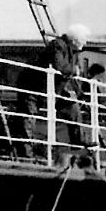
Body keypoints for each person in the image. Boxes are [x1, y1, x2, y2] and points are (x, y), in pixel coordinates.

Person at [13, 23, 89, 158]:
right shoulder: (58, 46)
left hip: (54, 89)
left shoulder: (73, 52)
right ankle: (26, 155)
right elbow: (59, 66)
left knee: (73, 108)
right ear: (75, 39)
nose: (86, 42)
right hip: (33, 87)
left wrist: (80, 95)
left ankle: (78, 144)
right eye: (84, 38)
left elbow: (71, 77)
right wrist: (74, 70)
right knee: (28, 119)